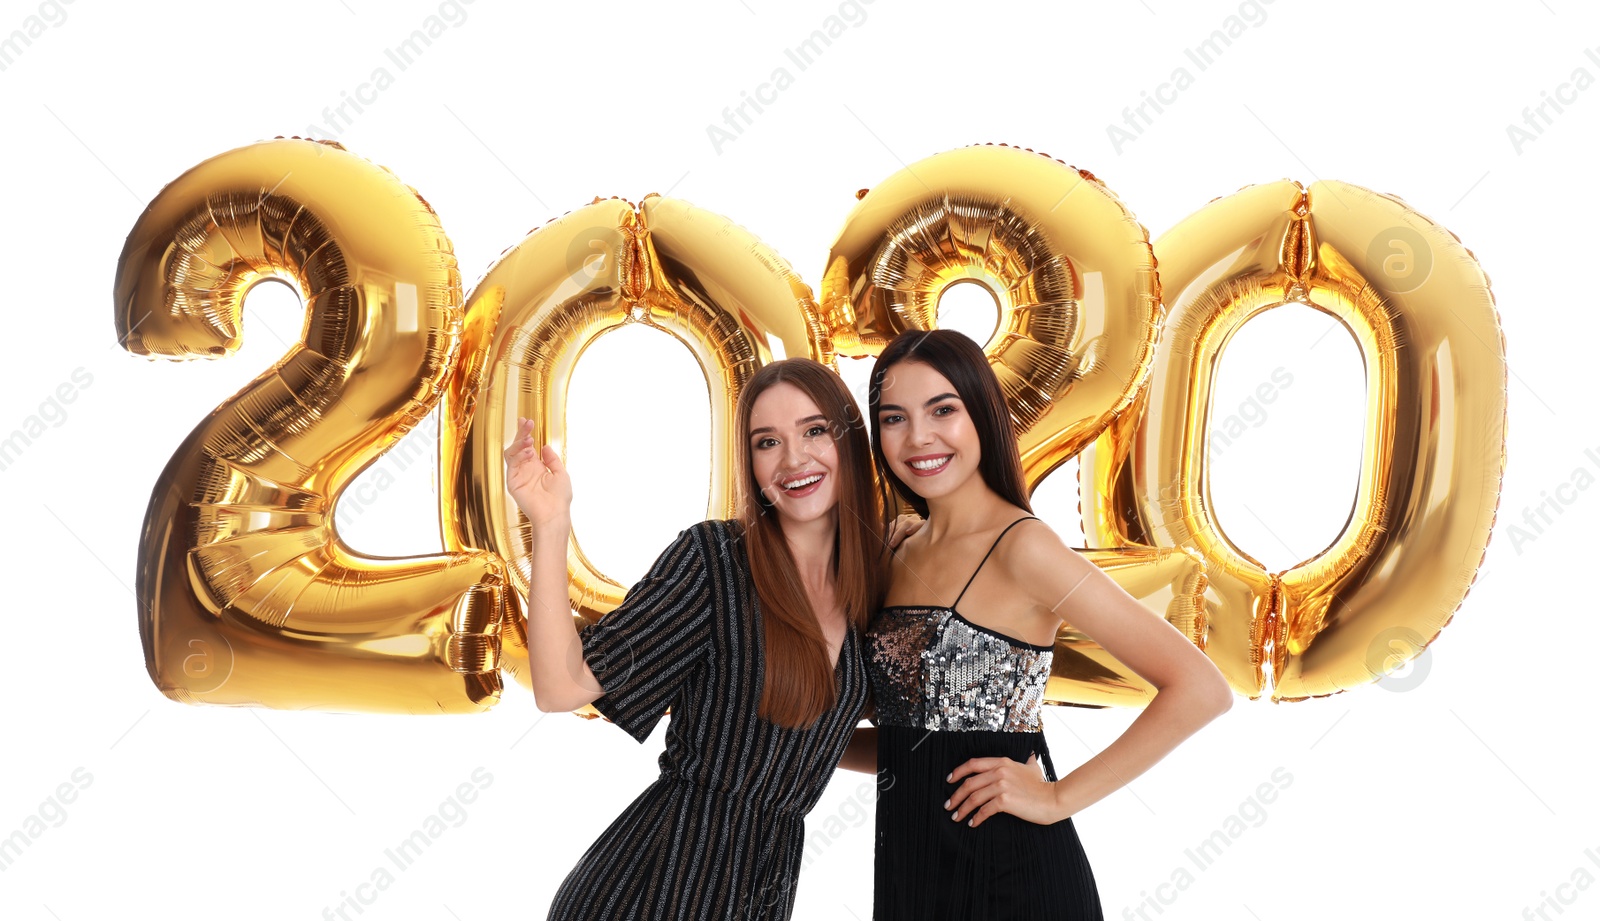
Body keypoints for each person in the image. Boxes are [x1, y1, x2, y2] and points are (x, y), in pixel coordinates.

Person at [839, 329, 1234, 919]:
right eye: (894, 418)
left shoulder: (1024, 549)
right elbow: (913, 741)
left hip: (1013, 880)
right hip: (911, 874)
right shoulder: (896, 544)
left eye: (942, 409)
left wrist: (1057, 798)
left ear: (981, 415)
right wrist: (794, 740)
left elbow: (1201, 689)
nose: (918, 437)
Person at [505, 357, 916, 920]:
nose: (794, 459)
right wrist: (550, 523)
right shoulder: (715, 562)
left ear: (849, 440)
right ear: (749, 462)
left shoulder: (872, 586)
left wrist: (950, 759)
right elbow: (561, 687)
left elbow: (813, 736)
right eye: (767, 442)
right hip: (654, 885)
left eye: (814, 430)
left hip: (761, 889)